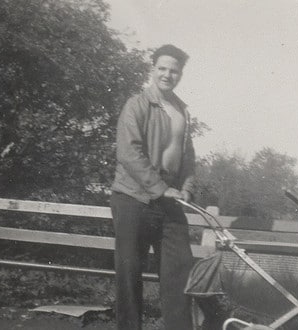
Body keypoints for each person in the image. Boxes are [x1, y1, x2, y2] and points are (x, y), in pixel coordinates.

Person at [110, 44, 196, 330]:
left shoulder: (182, 110)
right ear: (152, 69)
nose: (167, 74)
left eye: (174, 70)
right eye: (162, 68)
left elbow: (188, 157)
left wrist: (186, 187)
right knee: (129, 272)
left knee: (180, 270)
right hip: (133, 198)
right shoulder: (136, 104)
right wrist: (160, 187)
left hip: (170, 200)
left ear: (181, 74)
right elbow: (129, 153)